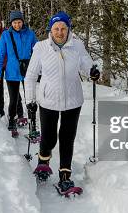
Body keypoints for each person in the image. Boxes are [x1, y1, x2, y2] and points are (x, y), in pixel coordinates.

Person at [24, 11, 100, 193]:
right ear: (51, 30)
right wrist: (30, 100)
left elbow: (88, 64)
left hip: (73, 101)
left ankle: (65, 175)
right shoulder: (41, 48)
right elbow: (31, 76)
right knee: (49, 137)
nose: (59, 32)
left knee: (67, 138)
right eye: (56, 28)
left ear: (68, 29)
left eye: (63, 28)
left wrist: (93, 71)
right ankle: (43, 160)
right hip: (48, 101)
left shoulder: (77, 46)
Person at [0, 10, 38, 136]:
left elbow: (38, 52)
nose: (17, 25)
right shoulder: (6, 35)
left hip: (28, 71)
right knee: (13, 99)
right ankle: (12, 121)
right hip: (12, 72)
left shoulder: (30, 34)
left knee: (30, 98)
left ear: (23, 22)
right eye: (14, 22)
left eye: (19, 22)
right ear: (11, 23)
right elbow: (0, 56)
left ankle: (32, 123)